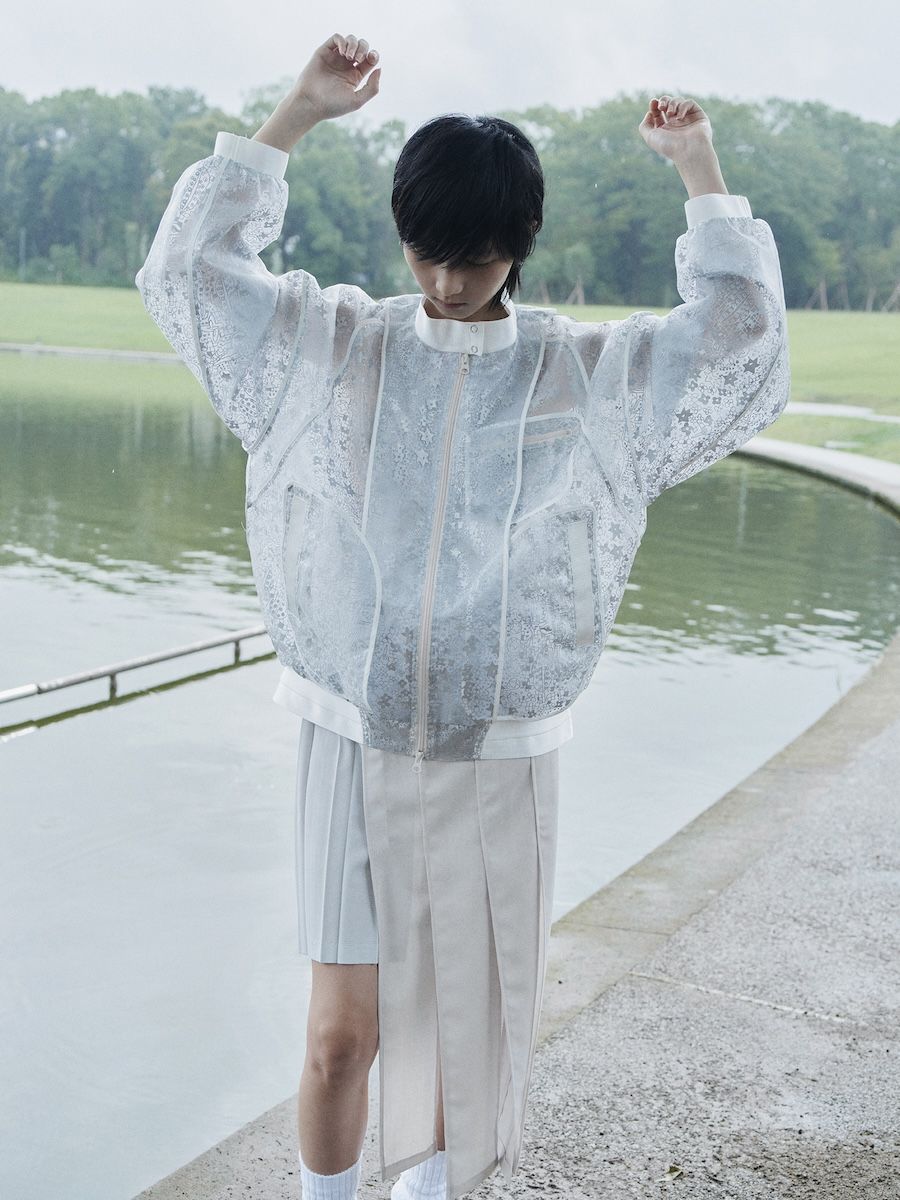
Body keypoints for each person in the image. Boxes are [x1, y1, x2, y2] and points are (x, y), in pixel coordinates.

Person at [134, 31, 790, 1200]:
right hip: (350, 734)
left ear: (519, 245)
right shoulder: (341, 346)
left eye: (476, 260)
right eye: (430, 255)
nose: (446, 283)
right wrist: (296, 112)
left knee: (458, 1054)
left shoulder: (578, 376)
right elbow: (192, 273)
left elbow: (738, 339)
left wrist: (700, 169)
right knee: (341, 1038)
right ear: (404, 236)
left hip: (496, 753)